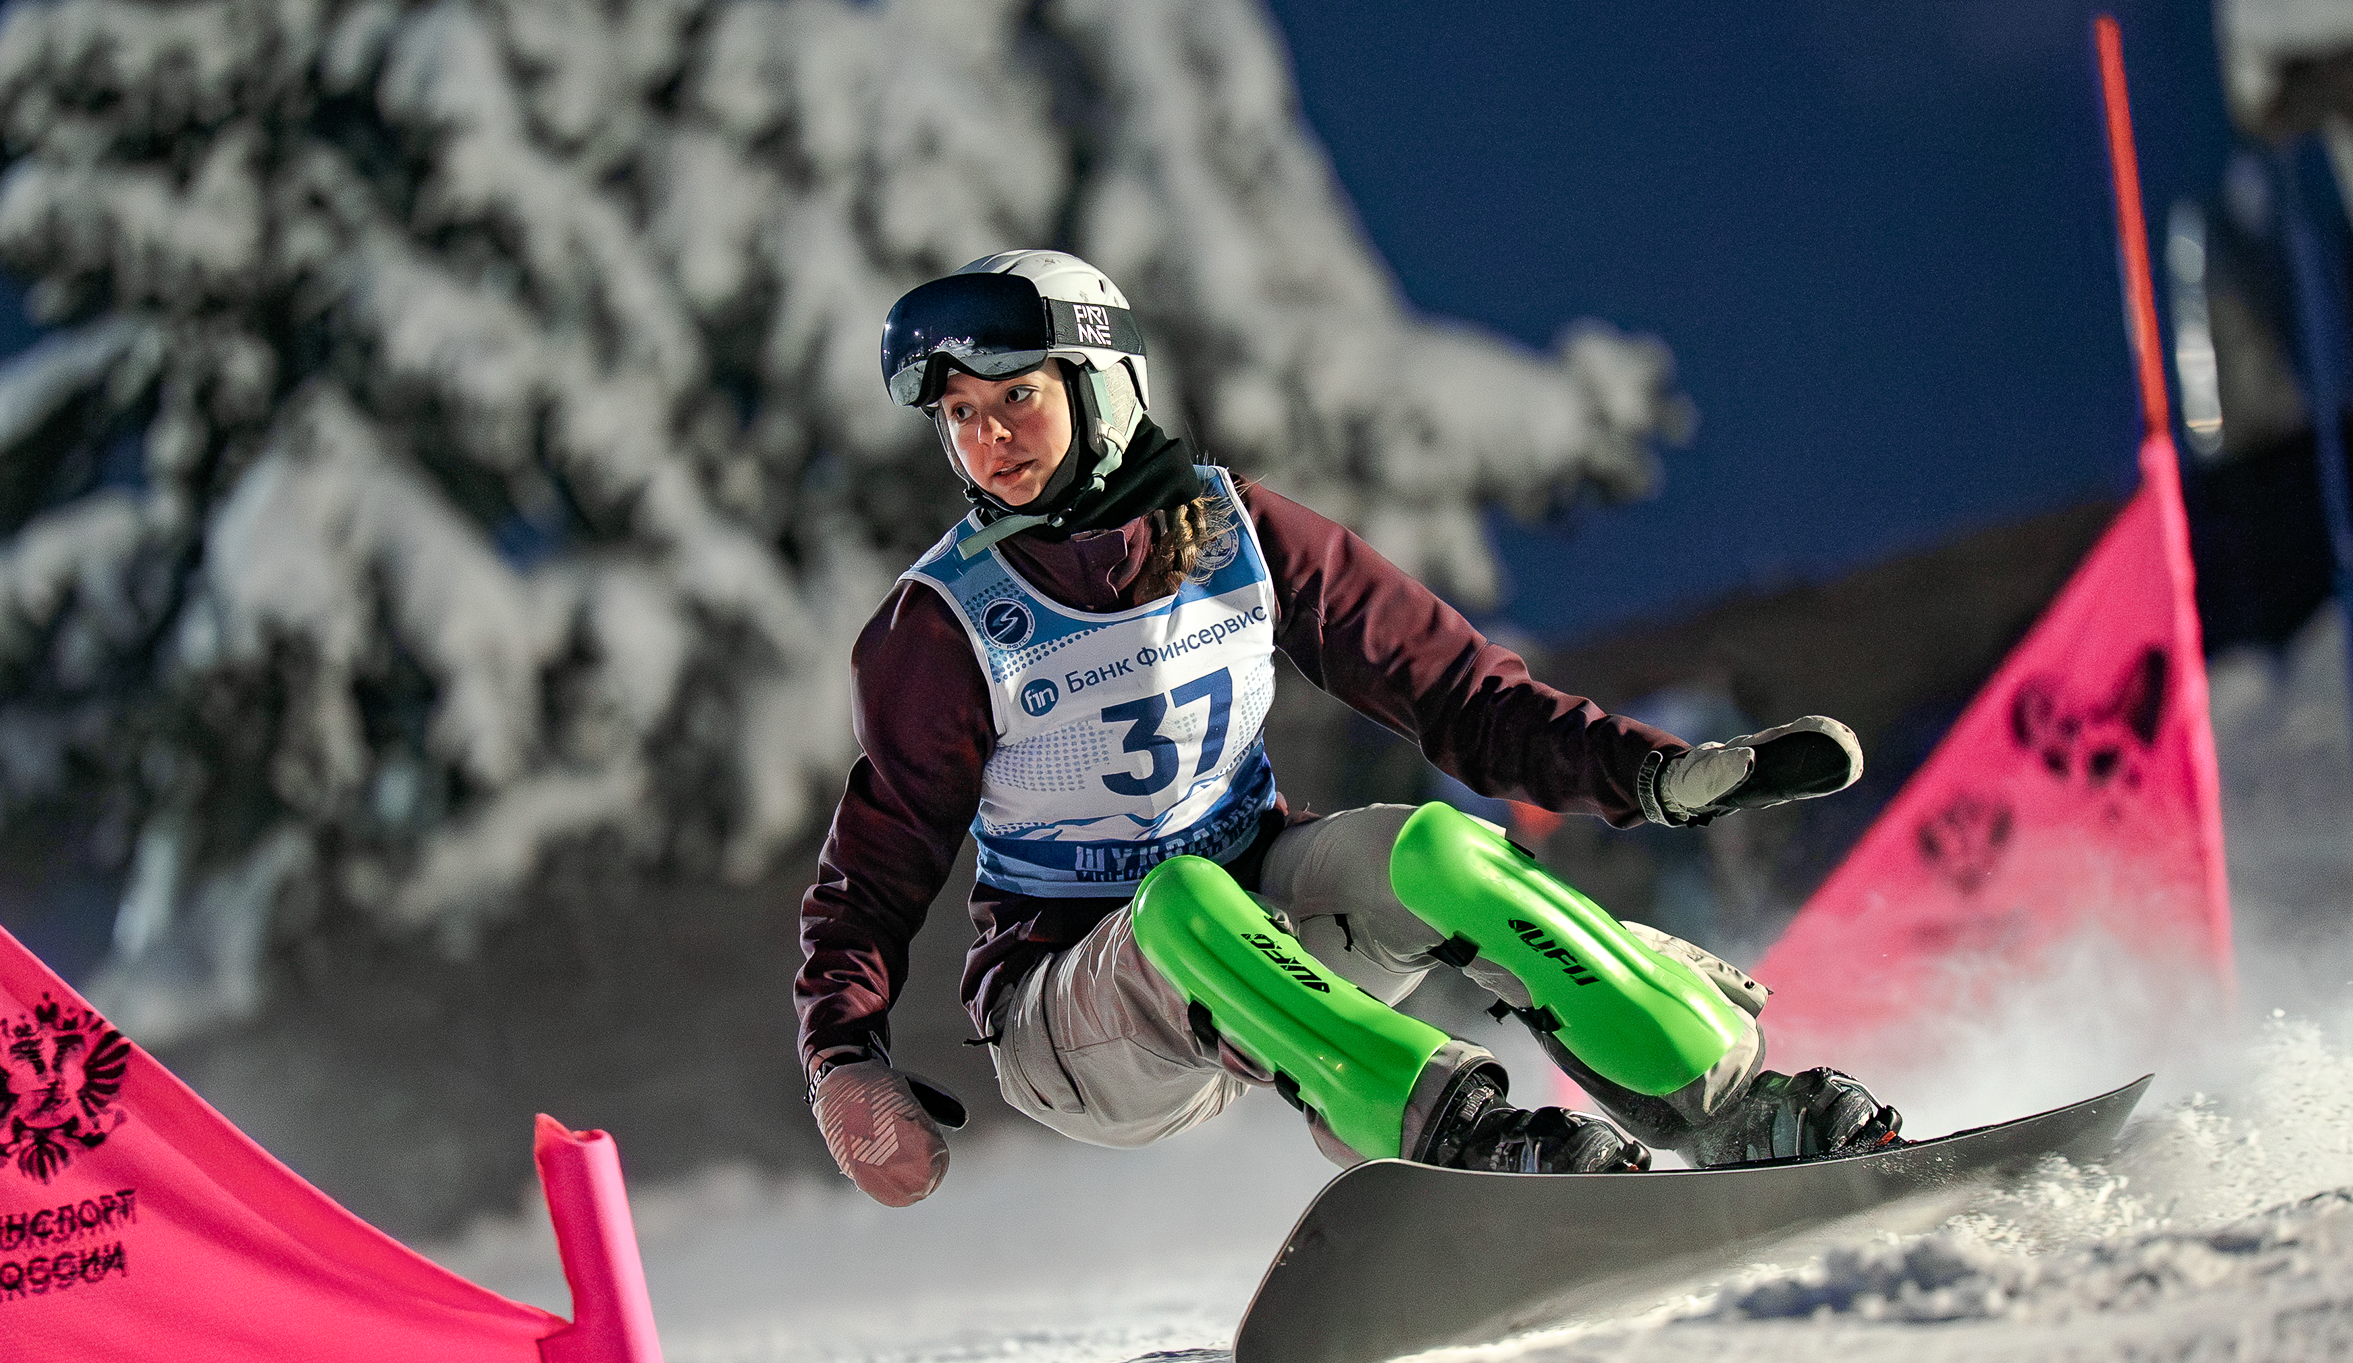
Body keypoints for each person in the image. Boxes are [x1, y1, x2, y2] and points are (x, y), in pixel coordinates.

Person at [796, 251, 1899, 1207]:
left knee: (1429, 847)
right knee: (1181, 899)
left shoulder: (1236, 533)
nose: (989, 442)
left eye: (1015, 400)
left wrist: (1656, 776)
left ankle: (1730, 1108)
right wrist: (844, 1053)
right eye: (960, 418)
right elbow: (877, 865)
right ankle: (1461, 1146)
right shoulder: (939, 626)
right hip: (1075, 1018)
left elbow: (1461, 696)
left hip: (1267, 945)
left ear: (1100, 386)